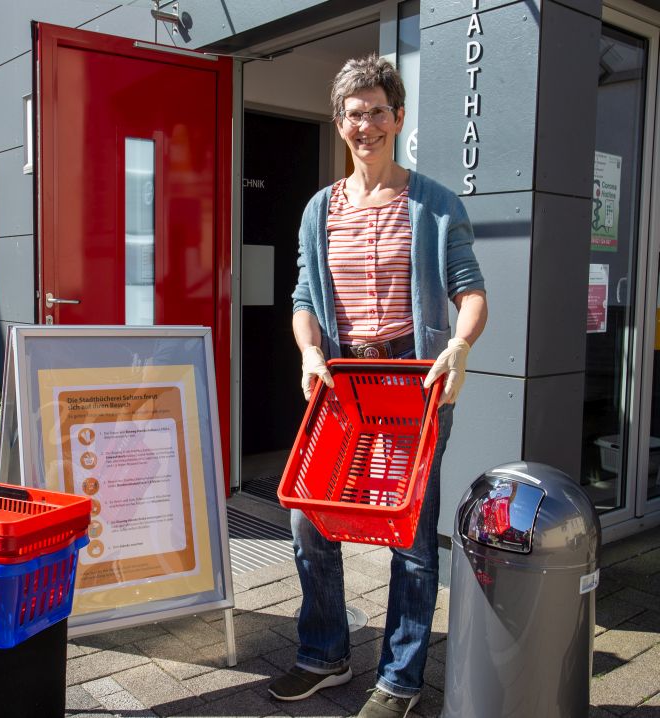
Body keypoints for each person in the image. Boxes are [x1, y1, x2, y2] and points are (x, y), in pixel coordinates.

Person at [267, 54, 488, 718]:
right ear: (340, 123)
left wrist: (459, 344)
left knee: (412, 538)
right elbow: (305, 296)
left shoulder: (435, 204)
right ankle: (325, 654)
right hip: (343, 384)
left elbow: (471, 292)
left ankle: (400, 678)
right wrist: (309, 352)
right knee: (309, 517)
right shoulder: (319, 209)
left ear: (398, 117)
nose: (366, 124)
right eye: (354, 113)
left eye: (377, 111)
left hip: (414, 384)